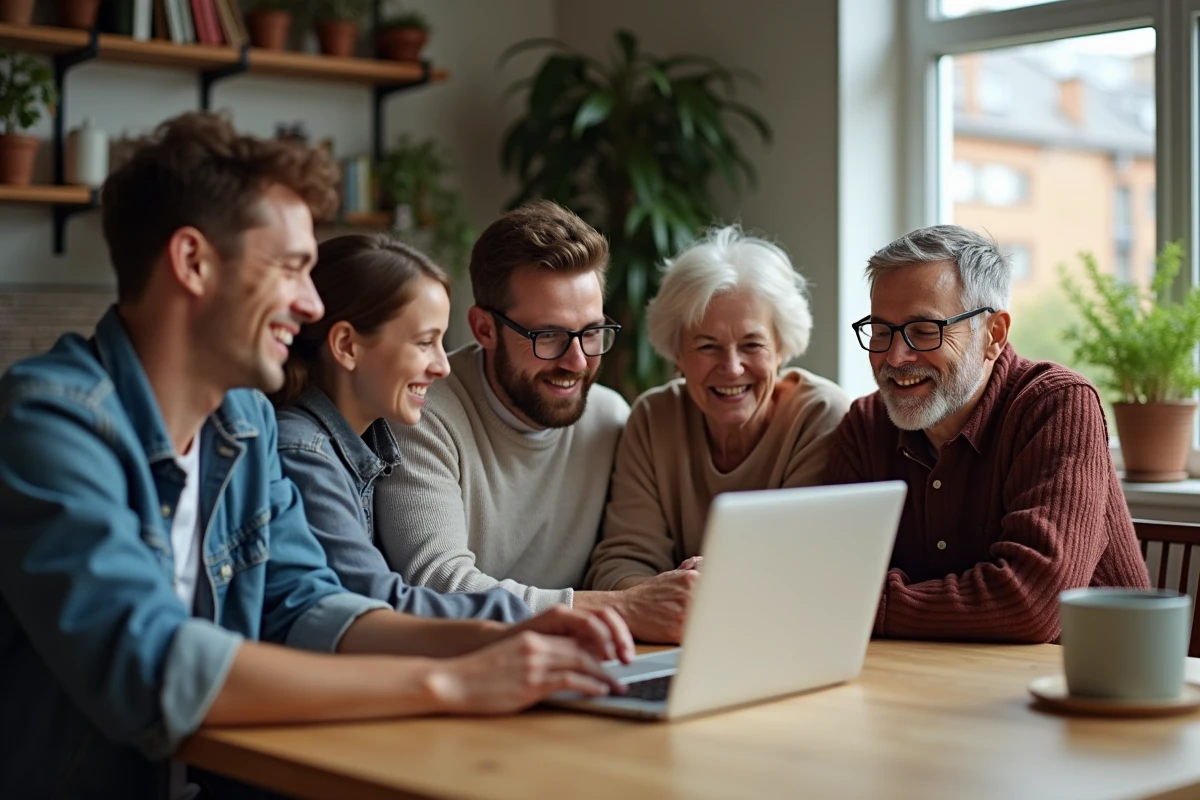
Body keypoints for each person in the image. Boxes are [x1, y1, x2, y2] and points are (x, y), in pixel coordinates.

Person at [0, 113, 632, 798]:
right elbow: (153, 665)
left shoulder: (242, 424)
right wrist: (448, 682)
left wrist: (514, 631)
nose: (309, 303)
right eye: (293, 268)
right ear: (193, 263)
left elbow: (309, 606)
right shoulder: (50, 421)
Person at [376, 200, 699, 643]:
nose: (578, 361)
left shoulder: (609, 418)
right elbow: (436, 584)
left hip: (577, 662)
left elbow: (624, 556)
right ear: (484, 329)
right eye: (548, 336)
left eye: (592, 331)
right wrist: (623, 608)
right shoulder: (420, 414)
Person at [825, 224, 1150, 643]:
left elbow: (1031, 604)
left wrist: (859, 603)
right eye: (881, 331)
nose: (894, 356)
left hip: (1093, 682)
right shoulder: (866, 424)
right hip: (935, 675)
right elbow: (830, 572)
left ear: (993, 335)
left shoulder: (1056, 405)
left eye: (924, 330)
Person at [585, 227, 850, 628]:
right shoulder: (654, 418)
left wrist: (725, 580)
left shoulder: (821, 417)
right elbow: (622, 559)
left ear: (782, 348)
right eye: (707, 346)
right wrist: (655, 602)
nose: (731, 367)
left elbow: (803, 562)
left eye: (752, 344)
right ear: (677, 354)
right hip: (670, 640)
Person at [271, 234, 530, 622]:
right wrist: (529, 615)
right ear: (347, 345)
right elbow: (380, 604)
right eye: (425, 343)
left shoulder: (369, 443)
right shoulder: (303, 455)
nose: (442, 366)